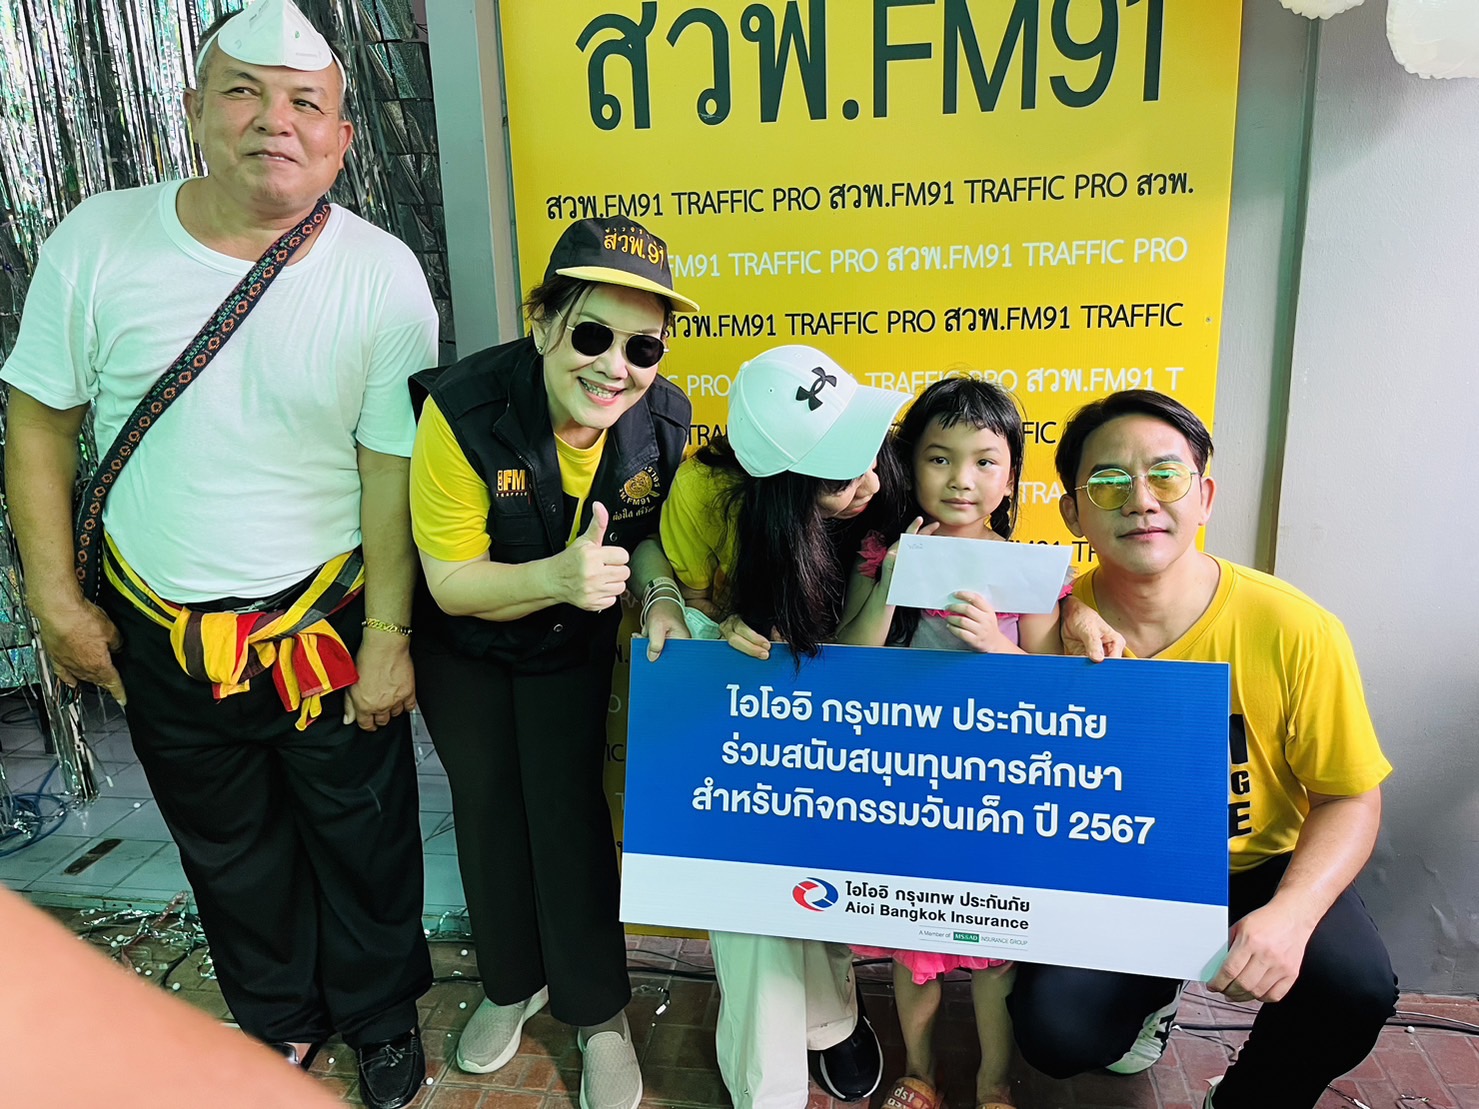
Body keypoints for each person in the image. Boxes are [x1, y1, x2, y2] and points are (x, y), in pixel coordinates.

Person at [1, 3, 435, 1107]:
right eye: (244, 92)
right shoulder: (97, 241)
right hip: (158, 623)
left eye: (305, 104)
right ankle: (277, 1017)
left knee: (362, 832)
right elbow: (39, 422)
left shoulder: (381, 272)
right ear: (193, 109)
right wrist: (54, 600)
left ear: (341, 137)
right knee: (226, 841)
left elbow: (391, 466)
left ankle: (382, 1017)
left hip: (322, 620)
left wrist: (390, 633)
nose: (275, 121)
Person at [1005, 389, 1397, 1109]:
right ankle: (1153, 998)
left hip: (1256, 864)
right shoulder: (1042, 632)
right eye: (1108, 482)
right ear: (1072, 513)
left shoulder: (1294, 628)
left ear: (1205, 496)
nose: (1141, 500)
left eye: (1165, 475)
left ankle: (1245, 1097)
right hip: (1121, 868)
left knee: (1353, 989)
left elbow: (1349, 795)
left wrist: (1293, 911)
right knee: (1055, 1032)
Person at [407, 216, 696, 1109]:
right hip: (467, 644)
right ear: (541, 324)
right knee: (489, 812)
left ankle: (598, 1012)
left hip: (571, 646)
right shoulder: (463, 410)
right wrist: (555, 577)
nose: (616, 367)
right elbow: (451, 581)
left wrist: (660, 595)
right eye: (592, 335)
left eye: (642, 346)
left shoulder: (663, 420)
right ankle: (510, 983)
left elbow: (644, 541)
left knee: (568, 818)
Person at [652, 344, 911, 1109]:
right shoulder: (709, 489)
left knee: (819, 854)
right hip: (746, 691)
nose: (869, 481)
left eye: (864, 452)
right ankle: (766, 1082)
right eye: (838, 478)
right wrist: (707, 622)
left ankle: (829, 1017)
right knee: (747, 878)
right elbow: (686, 588)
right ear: (779, 490)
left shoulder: (884, 479)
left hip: (858, 698)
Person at [838, 377, 1092, 1109]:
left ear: (1010, 476)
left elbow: (1052, 690)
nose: (961, 479)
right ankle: (918, 1071)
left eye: (984, 461)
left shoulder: (1028, 568)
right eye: (939, 458)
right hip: (905, 784)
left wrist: (995, 647)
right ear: (909, 466)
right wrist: (890, 583)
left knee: (995, 951)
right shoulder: (882, 554)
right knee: (912, 944)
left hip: (993, 791)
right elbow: (848, 661)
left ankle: (992, 1083)